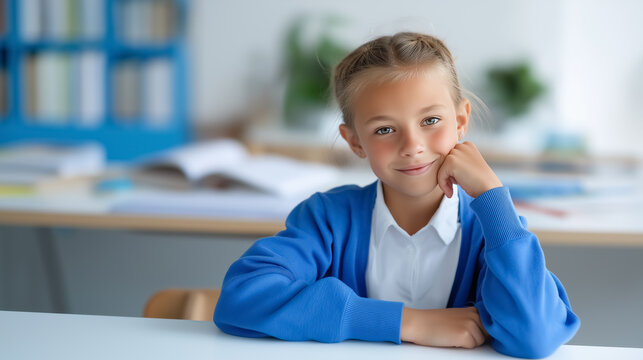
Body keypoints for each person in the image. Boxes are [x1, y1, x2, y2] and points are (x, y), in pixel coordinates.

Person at [213, 32, 580, 358]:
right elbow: (241, 297)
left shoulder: (493, 229)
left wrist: (492, 195)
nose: (412, 146)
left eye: (431, 121)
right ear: (355, 141)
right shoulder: (327, 218)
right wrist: (409, 323)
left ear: (461, 121)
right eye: (385, 129)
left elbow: (535, 336)